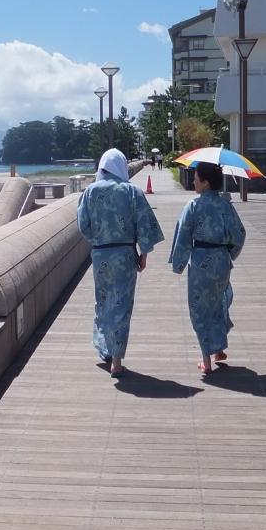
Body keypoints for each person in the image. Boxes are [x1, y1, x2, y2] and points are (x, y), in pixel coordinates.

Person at [77, 148, 164, 376]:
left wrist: (98, 240)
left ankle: (105, 348)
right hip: (125, 255)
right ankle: (116, 359)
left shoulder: (90, 191)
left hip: (101, 255)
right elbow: (144, 225)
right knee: (122, 306)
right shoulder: (132, 192)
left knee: (103, 302)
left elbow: (82, 224)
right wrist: (143, 254)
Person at [170, 161, 246, 376]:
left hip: (201, 262)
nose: (193, 181)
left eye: (196, 178)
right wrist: (229, 253)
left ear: (205, 183)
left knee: (200, 309)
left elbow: (183, 235)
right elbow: (239, 234)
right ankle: (218, 349)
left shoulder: (193, 206)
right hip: (221, 261)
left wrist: (178, 263)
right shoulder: (226, 206)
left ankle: (206, 361)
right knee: (218, 302)